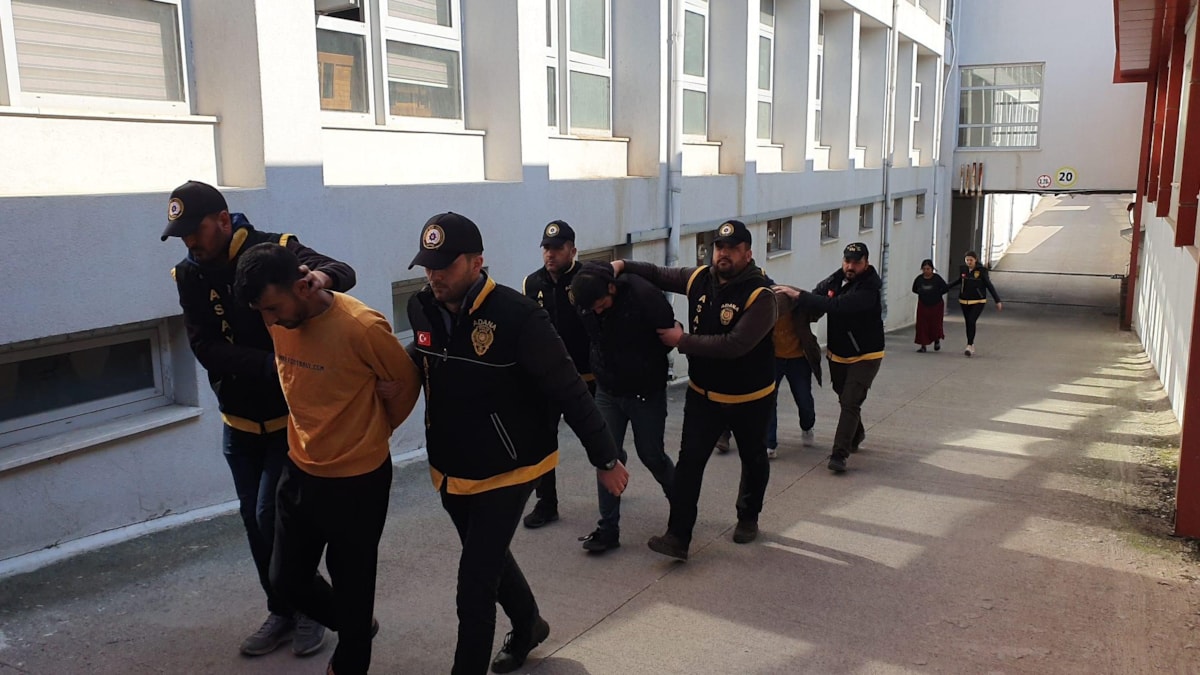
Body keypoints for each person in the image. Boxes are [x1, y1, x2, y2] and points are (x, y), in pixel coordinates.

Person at [406, 213, 629, 674]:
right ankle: (528, 623)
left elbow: (568, 387)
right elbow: (424, 359)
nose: (434, 275)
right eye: (428, 265)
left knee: (474, 584)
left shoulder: (517, 315)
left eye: (445, 265)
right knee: (488, 557)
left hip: (510, 465)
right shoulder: (421, 307)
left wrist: (606, 457)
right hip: (451, 466)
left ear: (476, 262)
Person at [163, 180, 356, 658]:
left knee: (275, 516)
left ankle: (315, 609)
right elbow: (205, 347)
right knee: (254, 520)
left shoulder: (275, 249)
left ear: (223, 220)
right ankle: (282, 610)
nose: (190, 242)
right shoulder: (188, 274)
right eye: (182, 234)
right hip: (239, 423)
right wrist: (275, 365)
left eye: (196, 230)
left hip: (290, 421)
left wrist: (319, 280)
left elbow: (342, 271)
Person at [233, 243, 420, 675]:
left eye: (272, 309)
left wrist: (374, 431)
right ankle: (355, 627)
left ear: (302, 287)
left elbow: (405, 383)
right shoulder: (281, 317)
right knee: (286, 579)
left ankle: (352, 649)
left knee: (353, 583)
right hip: (299, 466)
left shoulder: (361, 327)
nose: (269, 321)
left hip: (358, 479)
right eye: (262, 312)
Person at [615, 219, 777, 561]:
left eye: (732, 249)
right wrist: (621, 265)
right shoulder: (699, 278)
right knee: (689, 464)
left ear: (748, 253)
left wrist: (682, 340)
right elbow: (658, 274)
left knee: (753, 457)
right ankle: (678, 536)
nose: (724, 254)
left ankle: (748, 516)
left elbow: (735, 344)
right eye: (719, 247)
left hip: (750, 398)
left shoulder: (761, 295)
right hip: (704, 395)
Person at [568, 261, 677, 554]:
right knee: (606, 456)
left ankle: (682, 510)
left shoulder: (643, 296)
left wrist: (640, 360)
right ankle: (608, 530)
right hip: (608, 389)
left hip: (645, 391)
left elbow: (668, 336)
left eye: (601, 304)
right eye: (592, 309)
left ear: (612, 288)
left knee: (652, 455)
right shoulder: (584, 301)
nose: (597, 311)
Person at [779, 242, 884, 474]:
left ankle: (839, 455)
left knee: (850, 400)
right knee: (844, 396)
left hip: (866, 354)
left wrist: (800, 296)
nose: (850, 266)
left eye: (856, 262)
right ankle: (856, 433)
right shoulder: (837, 279)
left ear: (866, 263)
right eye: (847, 261)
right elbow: (818, 295)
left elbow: (837, 305)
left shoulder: (870, 288)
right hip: (838, 353)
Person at [520, 220, 593, 529]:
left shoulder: (587, 279)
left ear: (572, 251)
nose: (550, 254)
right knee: (542, 441)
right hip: (548, 380)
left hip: (587, 378)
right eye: (546, 248)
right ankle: (546, 503)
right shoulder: (531, 283)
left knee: (597, 436)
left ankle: (613, 474)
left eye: (557, 248)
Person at [765, 282, 824, 458]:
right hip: (773, 360)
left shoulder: (799, 310)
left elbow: (819, 309)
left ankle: (807, 426)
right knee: (768, 400)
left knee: (804, 399)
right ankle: (770, 444)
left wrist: (803, 297)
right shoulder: (765, 312)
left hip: (798, 359)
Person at [947, 250, 1003, 357]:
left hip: (978, 300)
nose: (969, 262)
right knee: (968, 322)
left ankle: (969, 345)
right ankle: (971, 344)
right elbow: (959, 281)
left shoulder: (981, 271)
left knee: (972, 320)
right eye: (967, 260)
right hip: (964, 300)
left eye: (971, 260)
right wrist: (946, 287)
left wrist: (997, 300)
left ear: (975, 260)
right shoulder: (963, 269)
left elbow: (989, 285)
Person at [911, 259, 949, 352]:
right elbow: (914, 289)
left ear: (932, 269)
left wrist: (937, 294)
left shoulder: (937, 278)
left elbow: (945, 288)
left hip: (936, 305)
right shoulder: (919, 279)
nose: (926, 271)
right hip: (923, 304)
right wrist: (922, 293)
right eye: (924, 269)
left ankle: (936, 340)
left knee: (935, 324)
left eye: (928, 269)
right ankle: (923, 345)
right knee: (922, 325)